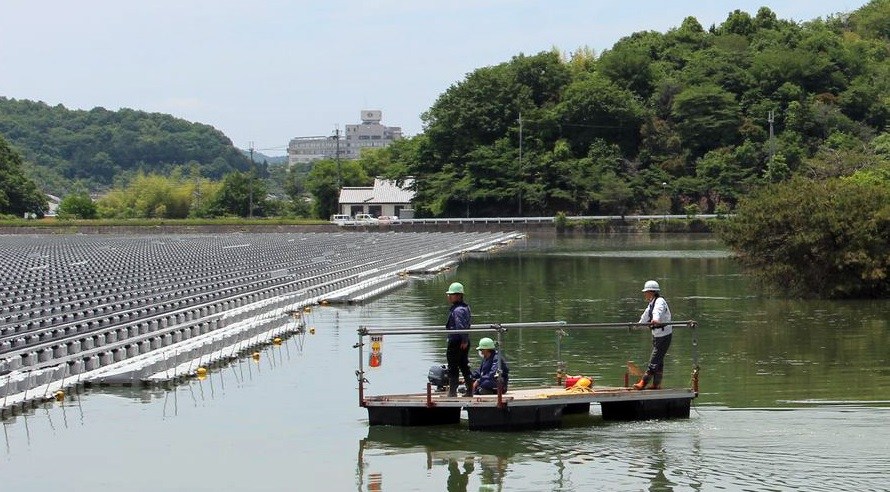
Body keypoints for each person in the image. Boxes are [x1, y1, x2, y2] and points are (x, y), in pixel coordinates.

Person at [633, 280, 672, 390]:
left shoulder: (660, 301)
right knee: (659, 361)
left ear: (652, 292)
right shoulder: (651, 303)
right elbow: (646, 315)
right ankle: (656, 384)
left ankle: (643, 383)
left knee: (654, 361)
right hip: (656, 335)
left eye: (646, 292)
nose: (644, 294)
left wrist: (655, 319)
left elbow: (657, 312)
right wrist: (638, 325)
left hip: (664, 335)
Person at [445, 281, 474, 397]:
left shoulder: (457, 310)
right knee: (463, 365)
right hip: (462, 341)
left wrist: (464, 340)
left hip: (457, 341)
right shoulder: (465, 307)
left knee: (453, 365)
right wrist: (465, 340)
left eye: (451, 294)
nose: (449, 297)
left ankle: (452, 392)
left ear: (458, 296)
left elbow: (460, 326)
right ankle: (470, 390)